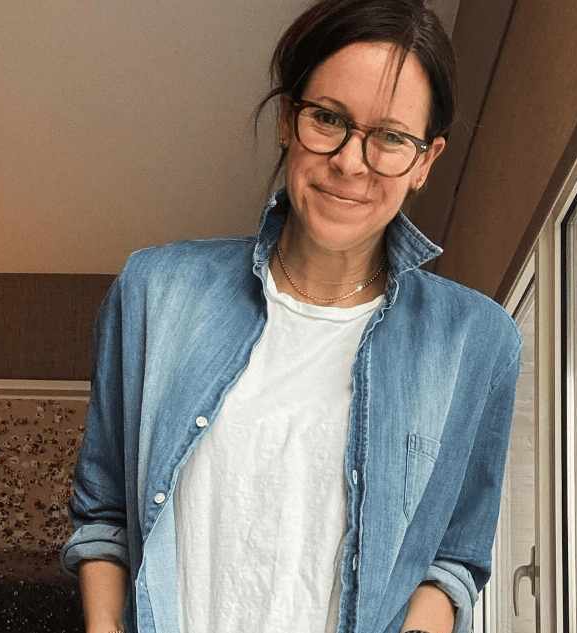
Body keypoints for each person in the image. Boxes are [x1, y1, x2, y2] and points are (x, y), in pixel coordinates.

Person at [60, 1, 522, 632]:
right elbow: (105, 514)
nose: (351, 162)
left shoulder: (477, 341)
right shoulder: (154, 293)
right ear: (287, 118)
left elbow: (453, 559)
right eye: (328, 118)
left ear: (425, 161)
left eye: (391, 137)